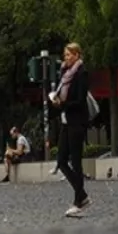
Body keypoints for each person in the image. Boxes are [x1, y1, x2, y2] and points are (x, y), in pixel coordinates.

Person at [50, 43, 90, 216]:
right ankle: (82, 195)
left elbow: (80, 100)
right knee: (61, 159)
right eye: (64, 55)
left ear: (77, 55)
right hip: (67, 120)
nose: (66, 58)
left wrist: (63, 104)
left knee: (76, 161)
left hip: (77, 121)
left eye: (68, 55)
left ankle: (78, 200)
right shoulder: (66, 75)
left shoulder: (81, 74)